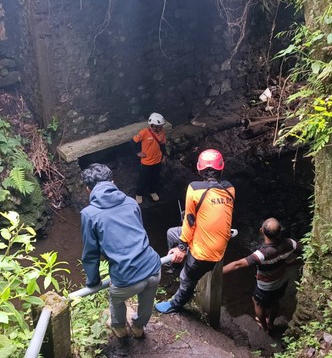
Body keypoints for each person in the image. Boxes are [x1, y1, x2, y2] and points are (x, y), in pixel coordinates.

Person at [80, 163, 162, 339]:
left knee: (116, 299)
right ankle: (139, 327)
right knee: (147, 299)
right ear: (112, 181)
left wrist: (93, 280)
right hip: (154, 268)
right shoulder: (131, 202)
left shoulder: (89, 214)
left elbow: (91, 253)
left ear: (88, 189)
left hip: (126, 278)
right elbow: (139, 232)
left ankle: (120, 328)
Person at [155, 149, 235, 314]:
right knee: (171, 233)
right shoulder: (230, 189)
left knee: (187, 279)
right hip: (218, 242)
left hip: (205, 254)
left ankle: (175, 304)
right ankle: (175, 265)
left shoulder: (194, 188)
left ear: (199, 169)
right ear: (221, 168)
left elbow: (190, 221)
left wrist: (182, 248)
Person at [222, 218, 302, 333]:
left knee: (257, 302)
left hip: (266, 286)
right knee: (275, 301)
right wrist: (290, 263)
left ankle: (265, 327)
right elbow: (303, 252)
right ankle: (271, 323)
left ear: (261, 231)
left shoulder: (262, 254)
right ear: (280, 232)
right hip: (282, 281)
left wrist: (217, 272)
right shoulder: (290, 243)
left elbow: (237, 265)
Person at [132, 112, 168, 204]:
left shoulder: (162, 132)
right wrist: (138, 153)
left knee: (155, 177)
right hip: (147, 162)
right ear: (152, 126)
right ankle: (139, 194)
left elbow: (162, 145)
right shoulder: (144, 132)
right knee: (143, 178)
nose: (160, 128)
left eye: (161, 126)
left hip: (157, 160)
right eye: (158, 126)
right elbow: (133, 142)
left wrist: (164, 155)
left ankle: (152, 191)